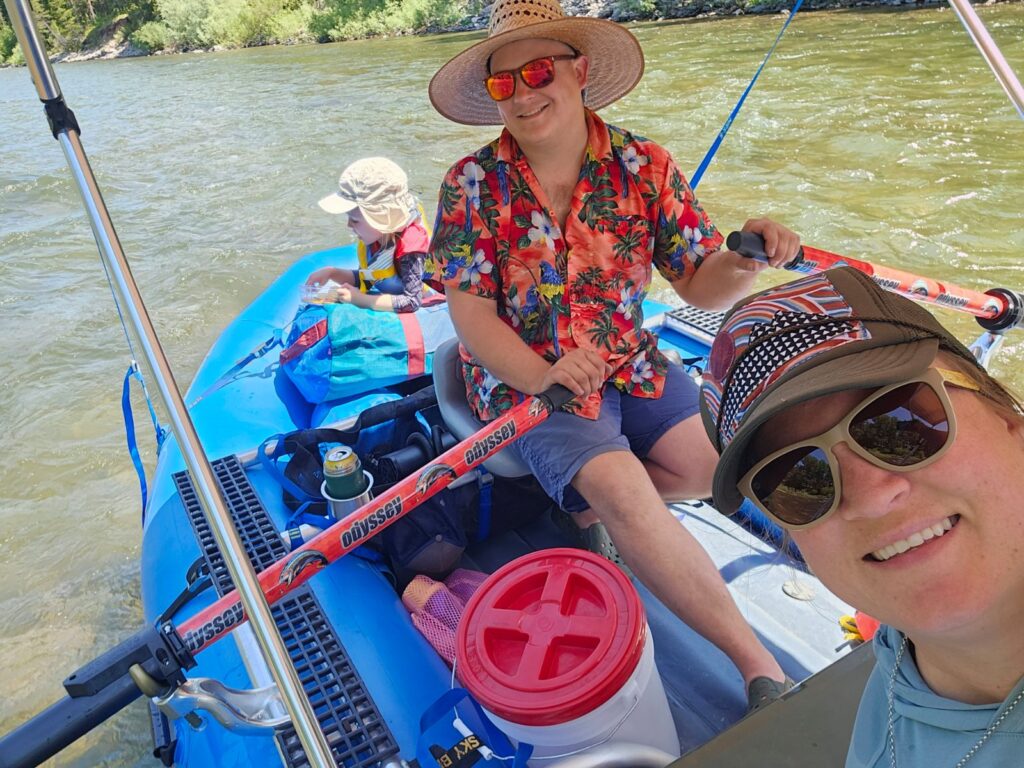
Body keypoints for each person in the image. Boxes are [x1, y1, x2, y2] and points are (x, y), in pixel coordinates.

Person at [424, 0, 802, 710]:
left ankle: (584, 509)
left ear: (580, 71)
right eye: (504, 82)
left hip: (630, 358)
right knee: (624, 490)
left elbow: (701, 282)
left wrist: (744, 260)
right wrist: (544, 375)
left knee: (715, 468)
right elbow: (470, 315)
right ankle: (761, 670)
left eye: (539, 71)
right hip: (527, 381)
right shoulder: (468, 183)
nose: (524, 93)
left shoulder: (646, 164)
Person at [699, 266, 1024, 766]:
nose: (871, 498)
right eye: (796, 478)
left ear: (1006, 417)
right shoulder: (903, 657)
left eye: (901, 420)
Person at [307, 156, 430, 314]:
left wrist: (359, 299)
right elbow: (367, 279)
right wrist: (332, 273)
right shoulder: (377, 237)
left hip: (428, 307)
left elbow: (412, 301)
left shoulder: (410, 244)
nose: (349, 225)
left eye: (355, 220)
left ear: (381, 217)